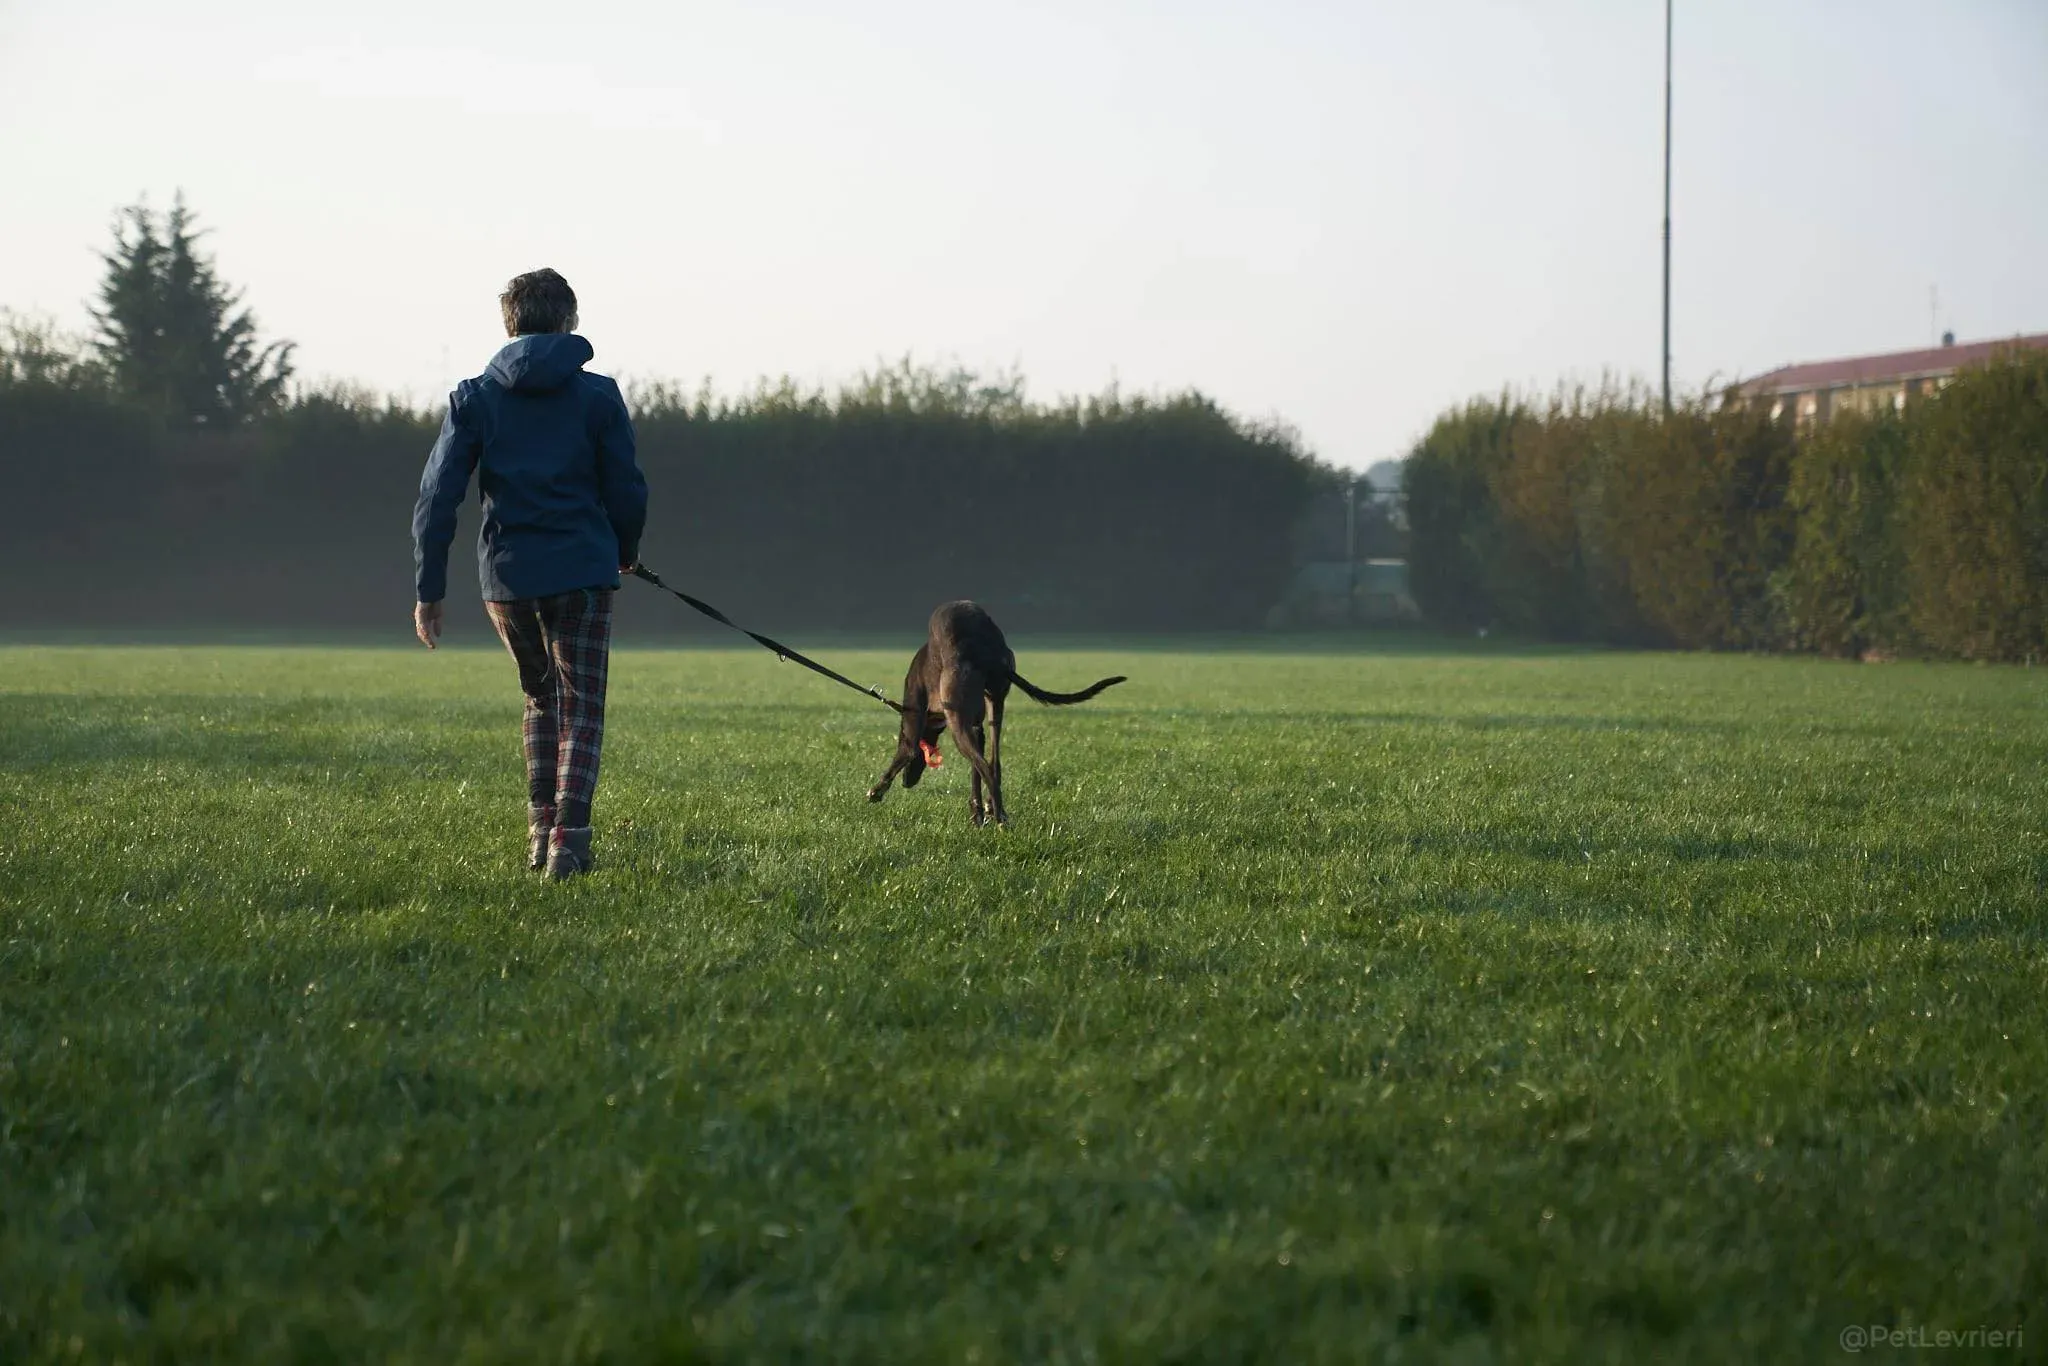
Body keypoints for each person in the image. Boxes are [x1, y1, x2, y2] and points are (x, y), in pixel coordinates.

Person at [411, 268, 648, 881]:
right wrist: (626, 547)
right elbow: (626, 485)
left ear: (508, 324)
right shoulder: (598, 396)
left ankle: (541, 833)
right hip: (583, 571)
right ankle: (569, 841)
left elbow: (437, 497)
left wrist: (429, 589)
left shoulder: (474, 397)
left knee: (541, 698)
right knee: (582, 707)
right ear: (570, 320)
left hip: (507, 580)